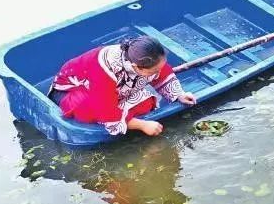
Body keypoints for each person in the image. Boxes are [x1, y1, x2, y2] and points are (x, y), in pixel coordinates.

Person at [50, 36, 196, 137]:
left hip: (106, 90)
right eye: (153, 71)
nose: (157, 72)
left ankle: (122, 116)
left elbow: (163, 72)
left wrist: (179, 95)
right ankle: (123, 118)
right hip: (71, 90)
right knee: (86, 110)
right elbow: (105, 107)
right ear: (136, 67)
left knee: (147, 103)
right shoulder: (103, 70)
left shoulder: (140, 57)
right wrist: (142, 125)